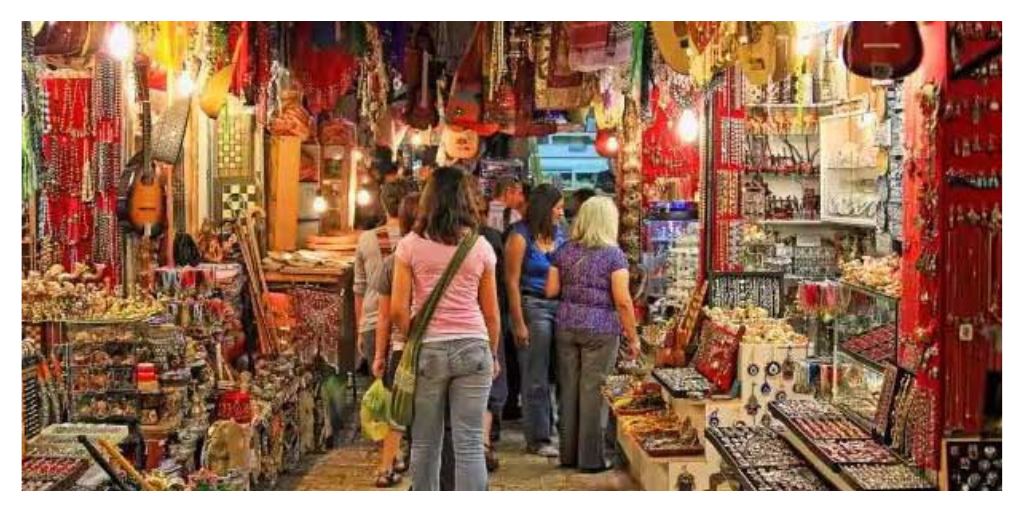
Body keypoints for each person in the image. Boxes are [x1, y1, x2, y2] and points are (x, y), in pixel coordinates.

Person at [391, 166, 501, 491]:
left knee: (425, 442)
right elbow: (492, 314)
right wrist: (492, 354)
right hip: (474, 346)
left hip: (429, 349)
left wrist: (414, 335)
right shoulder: (480, 247)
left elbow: (398, 308)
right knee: (469, 444)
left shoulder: (409, 245)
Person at [545, 196, 641, 472]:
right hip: (600, 329)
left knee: (569, 390)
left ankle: (568, 454)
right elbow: (622, 300)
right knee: (593, 392)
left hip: (566, 326)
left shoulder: (564, 250)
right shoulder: (614, 255)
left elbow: (551, 290)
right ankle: (591, 459)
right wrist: (633, 337)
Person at [504, 183, 565, 458]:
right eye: (558, 207)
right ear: (546, 208)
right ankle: (538, 437)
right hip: (533, 306)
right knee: (535, 375)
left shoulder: (559, 235)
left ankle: (554, 429)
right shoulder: (519, 237)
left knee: (557, 375)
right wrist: (518, 322)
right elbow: (512, 282)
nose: (562, 213)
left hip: (560, 306)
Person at [370, 193, 420, 487]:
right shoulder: (438, 255)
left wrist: (379, 354)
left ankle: (386, 467)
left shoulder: (394, 260)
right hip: (428, 345)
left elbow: (385, 316)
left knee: (397, 413)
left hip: (402, 348)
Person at [354, 179, 416, 372]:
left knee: (382, 392)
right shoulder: (420, 239)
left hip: (373, 322)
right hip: (410, 323)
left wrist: (360, 329)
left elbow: (359, 290)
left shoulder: (366, 239)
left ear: (383, 204)